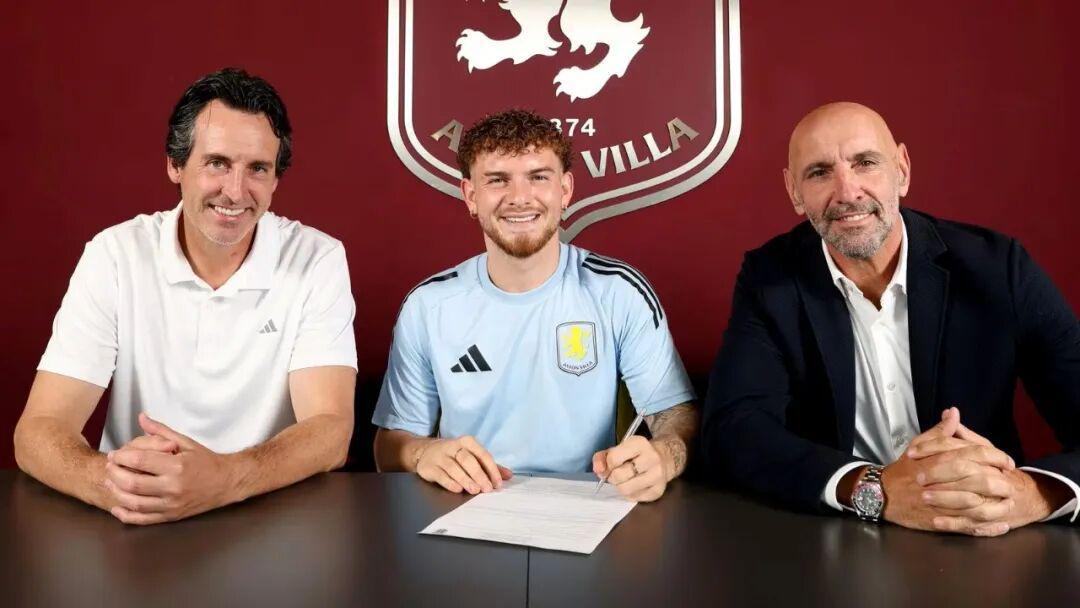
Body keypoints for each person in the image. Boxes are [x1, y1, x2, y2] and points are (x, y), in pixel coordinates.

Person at [703, 102, 1080, 536]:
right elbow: (733, 429)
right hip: (840, 540)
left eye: (865, 163)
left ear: (902, 170)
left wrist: (1030, 494)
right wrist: (872, 488)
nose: (847, 192)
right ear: (794, 191)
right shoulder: (770, 279)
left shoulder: (999, 268)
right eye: (820, 172)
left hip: (986, 532)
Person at [13, 68, 357, 525]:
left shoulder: (317, 258)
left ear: (276, 179)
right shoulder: (114, 254)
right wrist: (120, 487)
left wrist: (224, 480)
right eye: (217, 163)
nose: (235, 192)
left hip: (268, 514)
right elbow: (37, 431)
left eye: (257, 169)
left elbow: (331, 431)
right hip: (136, 517)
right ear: (175, 166)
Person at [372, 109, 698, 501]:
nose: (520, 197)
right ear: (471, 196)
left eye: (538, 177)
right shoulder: (428, 305)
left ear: (565, 190)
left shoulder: (618, 291)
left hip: (587, 503)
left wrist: (663, 456)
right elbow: (389, 447)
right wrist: (422, 453)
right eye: (497, 180)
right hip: (467, 503)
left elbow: (675, 416)